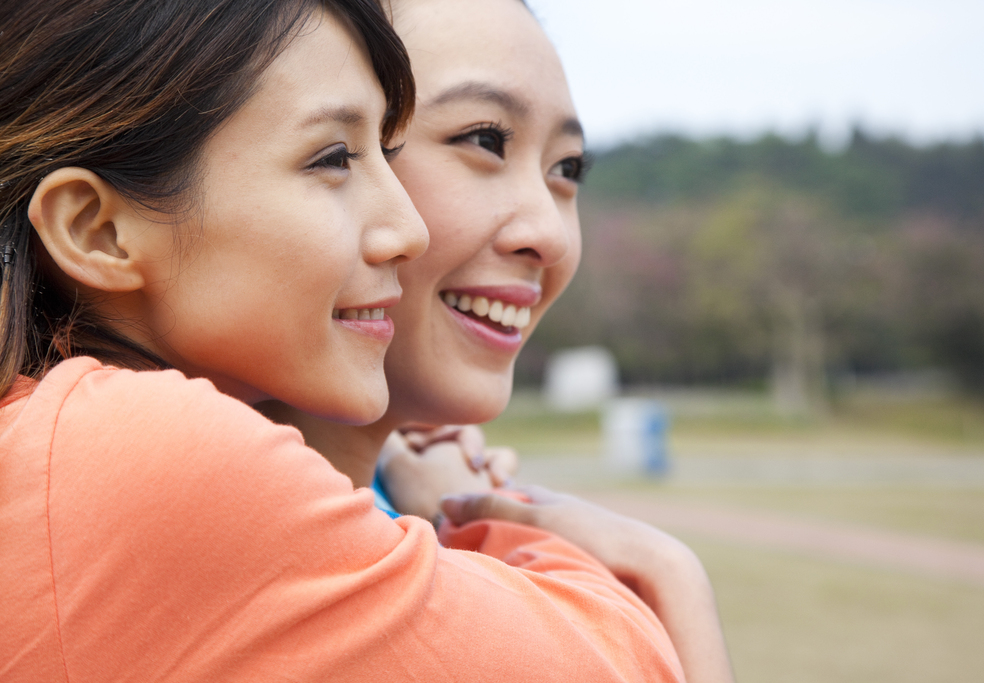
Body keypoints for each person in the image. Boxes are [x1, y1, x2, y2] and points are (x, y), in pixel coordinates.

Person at [1, 0, 689, 680]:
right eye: (336, 157)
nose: (405, 227)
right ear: (97, 231)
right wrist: (656, 572)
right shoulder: (137, 455)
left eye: (569, 169)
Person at [261, 1, 734, 681]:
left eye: (567, 169)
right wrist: (666, 577)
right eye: (484, 139)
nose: (549, 234)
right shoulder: (220, 547)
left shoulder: (414, 497)